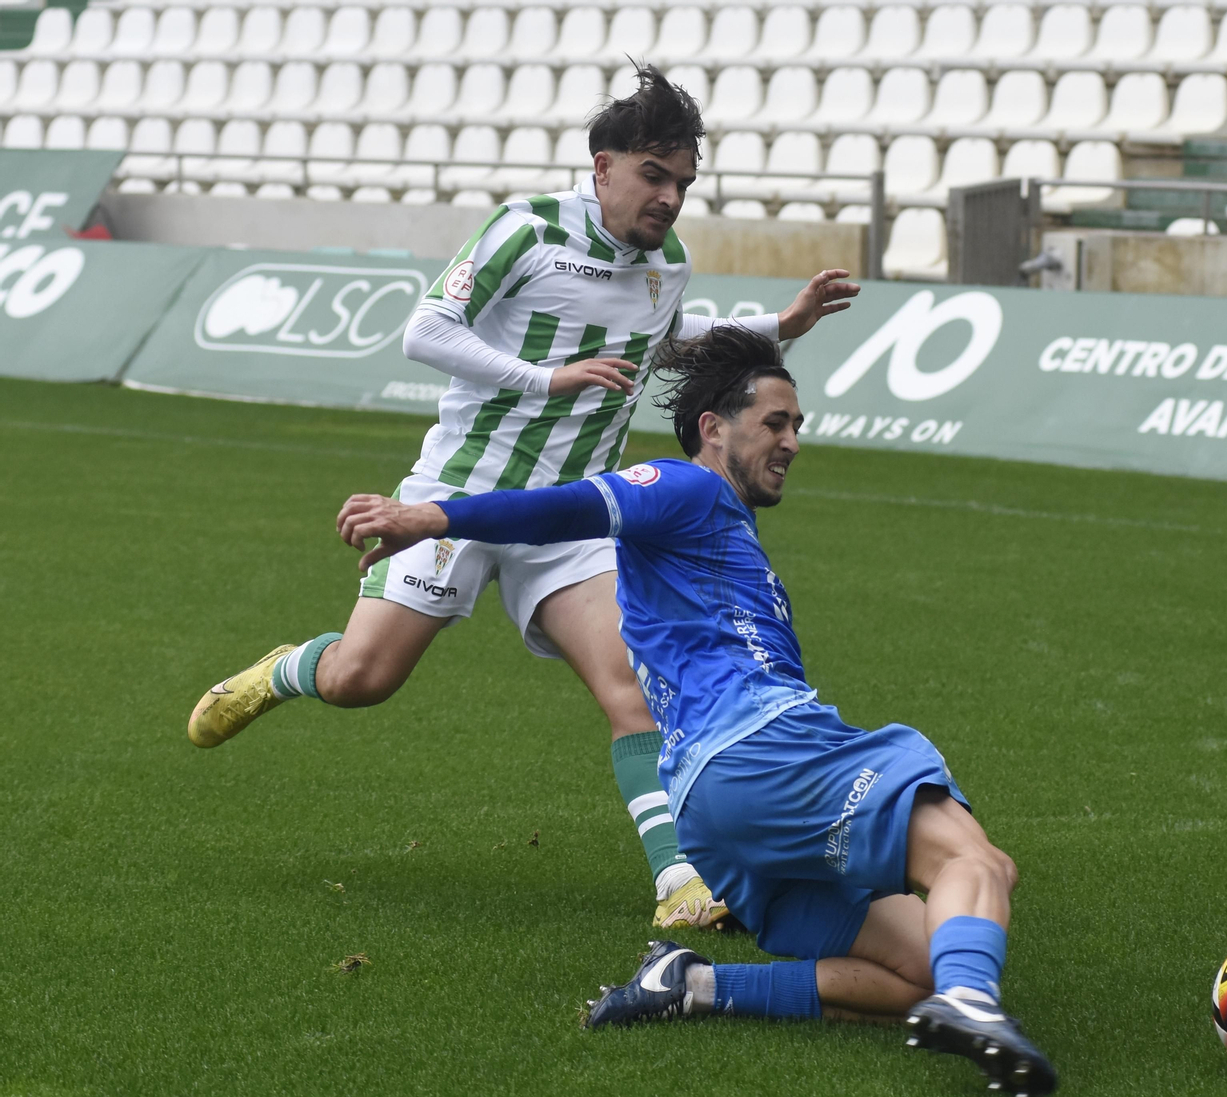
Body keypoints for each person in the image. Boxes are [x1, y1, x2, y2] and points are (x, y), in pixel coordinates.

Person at [183, 64, 860, 930]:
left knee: (632, 688)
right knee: (363, 679)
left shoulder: (669, 264)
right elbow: (425, 329)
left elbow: (663, 340)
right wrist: (545, 379)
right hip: (458, 495)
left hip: (572, 518)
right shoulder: (527, 227)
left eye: (683, 184)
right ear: (602, 165)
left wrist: (780, 326)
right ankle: (282, 670)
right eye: (654, 176)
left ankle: (679, 884)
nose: (669, 199)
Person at [331, 327, 1057, 1097]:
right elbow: (570, 505)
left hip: (715, 809)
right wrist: (432, 516)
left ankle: (696, 984)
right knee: (978, 866)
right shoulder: (687, 488)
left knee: (924, 971)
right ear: (714, 428)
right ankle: (975, 1003)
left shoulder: (711, 530)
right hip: (766, 749)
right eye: (775, 423)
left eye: (797, 426)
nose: (792, 442)